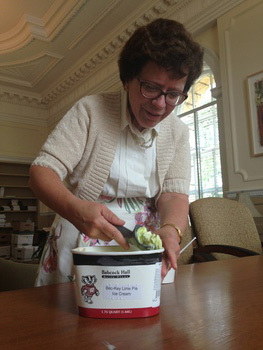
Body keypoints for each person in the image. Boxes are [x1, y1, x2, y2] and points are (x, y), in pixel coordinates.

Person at [29, 18, 204, 286]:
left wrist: (171, 229)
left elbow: (174, 194)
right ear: (127, 79)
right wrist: (75, 209)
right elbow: (42, 171)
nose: (160, 104)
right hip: (81, 237)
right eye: (150, 88)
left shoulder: (178, 132)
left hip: (144, 247)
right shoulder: (90, 111)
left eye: (173, 94)